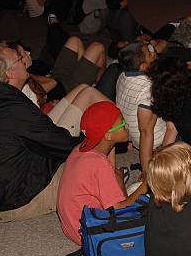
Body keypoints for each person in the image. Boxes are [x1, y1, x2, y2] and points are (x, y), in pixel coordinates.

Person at [0, 43, 82, 222]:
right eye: (19, 59)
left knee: (82, 97)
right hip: (13, 200)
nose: (24, 59)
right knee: (87, 166)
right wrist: (94, 140)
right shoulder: (14, 107)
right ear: (10, 74)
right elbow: (62, 145)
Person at [57, 101, 146, 245]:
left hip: (71, 226)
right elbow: (118, 209)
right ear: (108, 136)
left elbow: (109, 164)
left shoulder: (81, 149)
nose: (127, 126)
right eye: (122, 124)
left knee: (117, 174)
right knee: (144, 201)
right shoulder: (99, 165)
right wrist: (143, 187)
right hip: (89, 233)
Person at [116, 42, 176, 170]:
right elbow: (146, 133)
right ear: (143, 67)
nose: (153, 52)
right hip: (156, 141)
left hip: (133, 137)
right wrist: (146, 171)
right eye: (149, 54)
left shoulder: (122, 76)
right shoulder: (148, 88)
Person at [47, 35, 107, 100]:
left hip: (56, 77)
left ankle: (85, 70)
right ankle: (99, 83)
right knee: (98, 47)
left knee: (74, 40)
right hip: (69, 90)